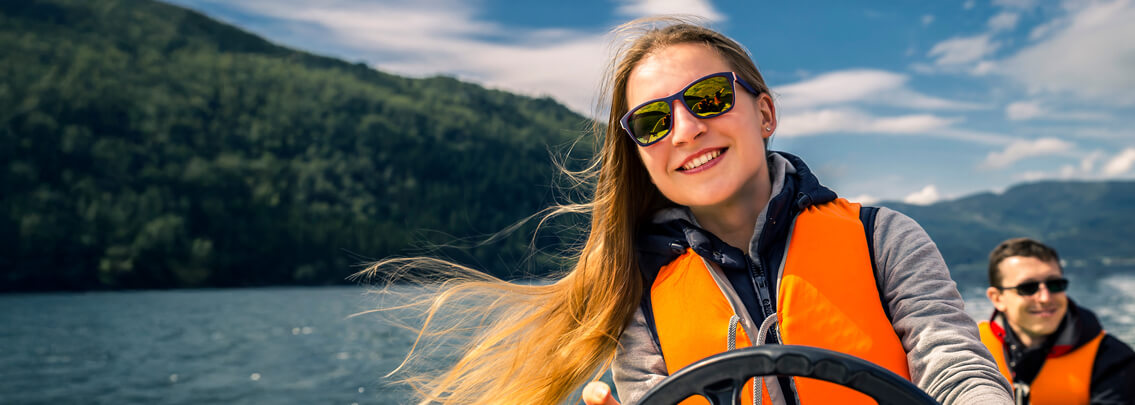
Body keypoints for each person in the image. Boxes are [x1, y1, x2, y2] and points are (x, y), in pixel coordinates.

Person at [371, 18, 1012, 405]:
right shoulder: (639, 288)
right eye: (651, 120)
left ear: (764, 113)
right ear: (641, 153)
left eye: (707, 97)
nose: (683, 129)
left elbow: (952, 364)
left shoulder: (884, 238)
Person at [980, 238, 1135, 405]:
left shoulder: (1112, 358)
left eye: (1054, 284)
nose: (1045, 298)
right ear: (997, 298)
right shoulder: (968, 347)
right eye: (1028, 288)